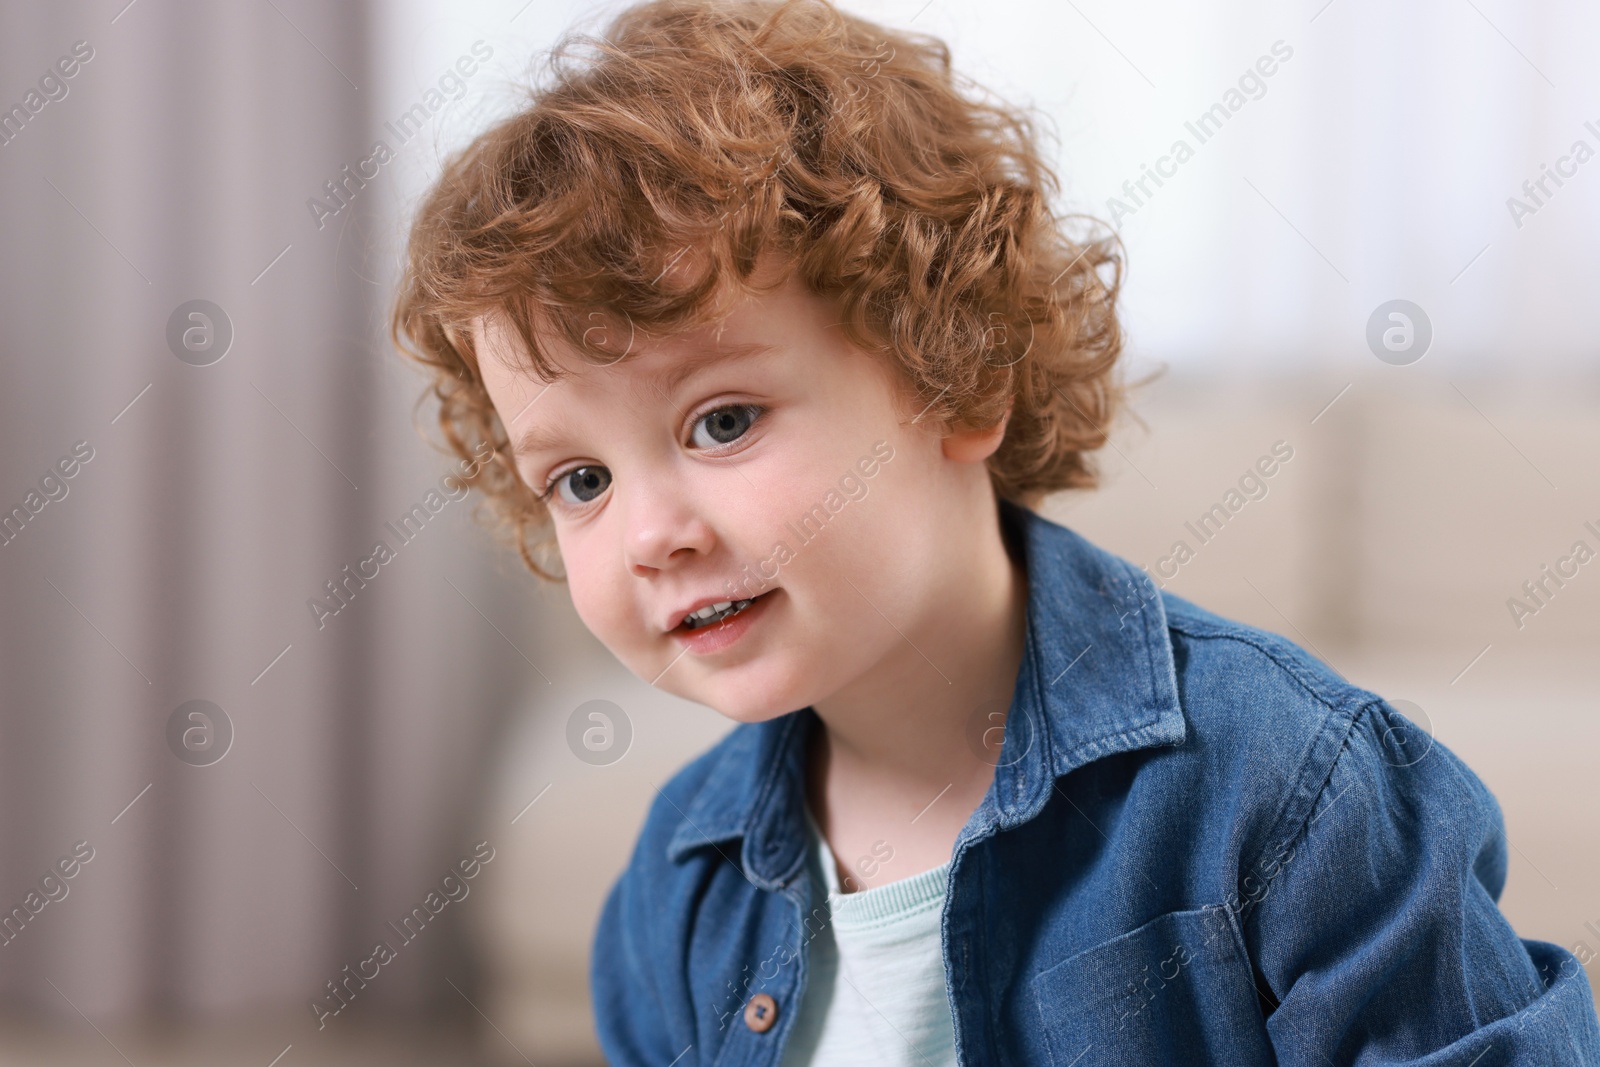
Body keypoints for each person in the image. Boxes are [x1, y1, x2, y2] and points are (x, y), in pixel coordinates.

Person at [389, 0, 1600, 1061]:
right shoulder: (677, 883)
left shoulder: (1289, 789)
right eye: (581, 478)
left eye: (721, 420)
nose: (649, 531)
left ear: (955, 380)